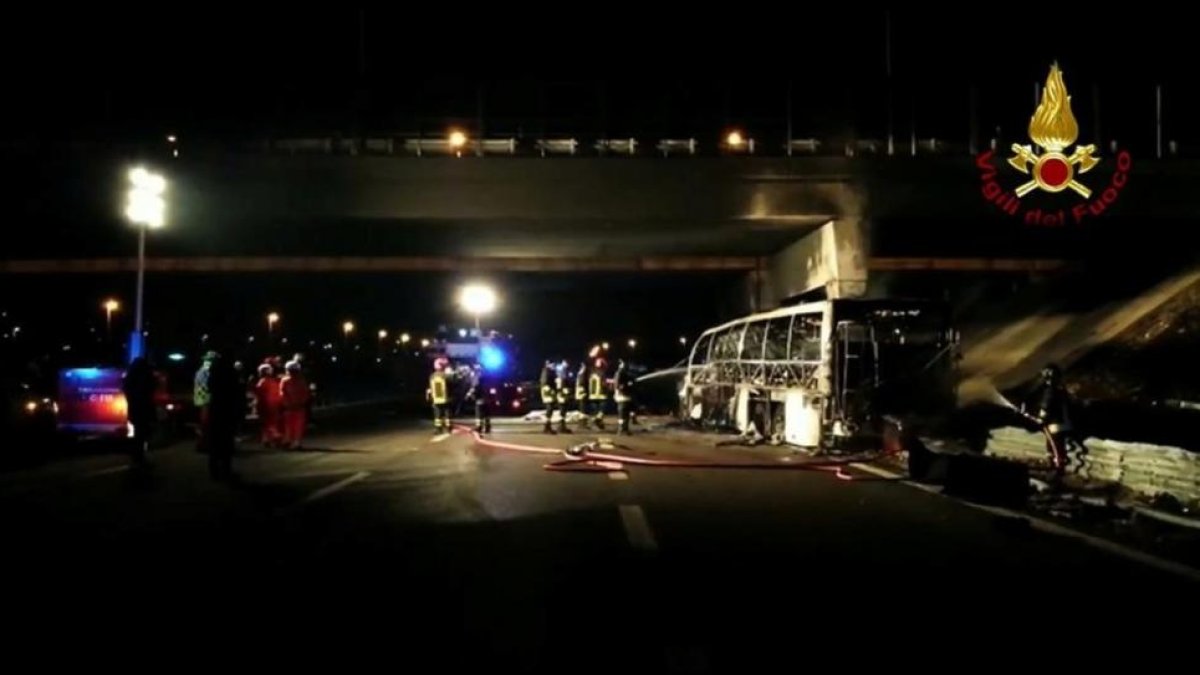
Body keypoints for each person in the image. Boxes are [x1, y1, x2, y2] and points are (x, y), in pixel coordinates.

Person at [1023, 364, 1085, 480]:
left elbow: (1046, 406)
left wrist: (1040, 419)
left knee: (1055, 449)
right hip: (1064, 424)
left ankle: (1057, 472)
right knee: (1056, 448)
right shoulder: (1061, 391)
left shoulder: (1050, 392)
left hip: (1055, 426)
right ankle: (1054, 469)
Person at [205, 353, 243, 479]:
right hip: (227, 409)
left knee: (215, 440)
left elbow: (209, 388)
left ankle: (214, 470)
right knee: (226, 440)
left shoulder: (213, 373)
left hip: (216, 408)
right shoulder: (231, 374)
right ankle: (225, 469)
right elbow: (237, 392)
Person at [122, 357, 157, 468]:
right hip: (143, 408)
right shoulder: (145, 377)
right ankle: (139, 457)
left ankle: (136, 456)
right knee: (142, 433)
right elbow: (149, 391)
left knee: (138, 433)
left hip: (134, 408)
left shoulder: (130, 379)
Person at [280, 360, 310, 449]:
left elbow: (282, 393)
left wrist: (287, 403)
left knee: (290, 424)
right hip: (298, 407)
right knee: (297, 425)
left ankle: (289, 440)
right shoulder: (301, 381)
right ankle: (295, 441)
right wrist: (301, 402)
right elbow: (306, 393)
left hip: (290, 407)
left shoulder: (285, 380)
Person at [254, 362, 283, 446]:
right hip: (271, 404)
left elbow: (258, 393)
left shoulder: (262, 382)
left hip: (265, 404)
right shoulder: (270, 381)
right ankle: (272, 436)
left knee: (265, 422)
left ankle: (267, 438)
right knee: (270, 422)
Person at [193, 351, 217, 452]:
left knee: (205, 424)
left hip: (202, 400)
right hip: (206, 400)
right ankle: (204, 445)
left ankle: (203, 444)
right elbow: (208, 385)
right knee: (206, 424)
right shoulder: (207, 370)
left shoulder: (201, 370)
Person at [467, 363, 493, 435]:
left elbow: (475, 386)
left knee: (479, 414)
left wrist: (469, 394)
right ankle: (487, 427)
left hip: (480, 398)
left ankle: (479, 427)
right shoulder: (487, 375)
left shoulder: (477, 376)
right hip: (487, 398)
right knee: (486, 413)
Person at [427, 357, 451, 435]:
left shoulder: (432, 376)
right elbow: (451, 385)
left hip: (436, 399)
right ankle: (448, 428)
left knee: (437, 415)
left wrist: (430, 397)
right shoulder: (445, 376)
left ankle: (438, 429)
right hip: (445, 398)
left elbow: (430, 387)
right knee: (447, 414)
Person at [614, 359, 635, 435]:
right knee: (623, 414)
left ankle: (624, 429)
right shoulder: (620, 373)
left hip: (624, 396)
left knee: (624, 414)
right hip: (623, 396)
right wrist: (628, 385)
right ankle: (622, 429)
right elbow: (618, 385)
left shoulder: (622, 373)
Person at [539, 360, 558, 434]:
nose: (554, 365)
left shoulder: (549, 371)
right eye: (552, 364)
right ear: (548, 364)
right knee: (549, 410)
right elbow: (545, 383)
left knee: (550, 410)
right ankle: (547, 427)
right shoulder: (546, 371)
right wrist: (551, 390)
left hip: (550, 393)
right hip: (548, 394)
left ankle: (547, 426)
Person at [588, 358, 608, 430]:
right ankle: (598, 421)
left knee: (595, 411)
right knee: (602, 410)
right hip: (601, 394)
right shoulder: (602, 373)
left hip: (592, 395)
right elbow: (604, 384)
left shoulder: (592, 372)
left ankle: (598, 423)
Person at [575, 362, 590, 430]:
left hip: (580, 394)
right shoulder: (582, 374)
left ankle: (582, 423)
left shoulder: (580, 374)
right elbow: (582, 384)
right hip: (582, 394)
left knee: (582, 409)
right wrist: (584, 392)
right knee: (583, 409)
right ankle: (582, 424)